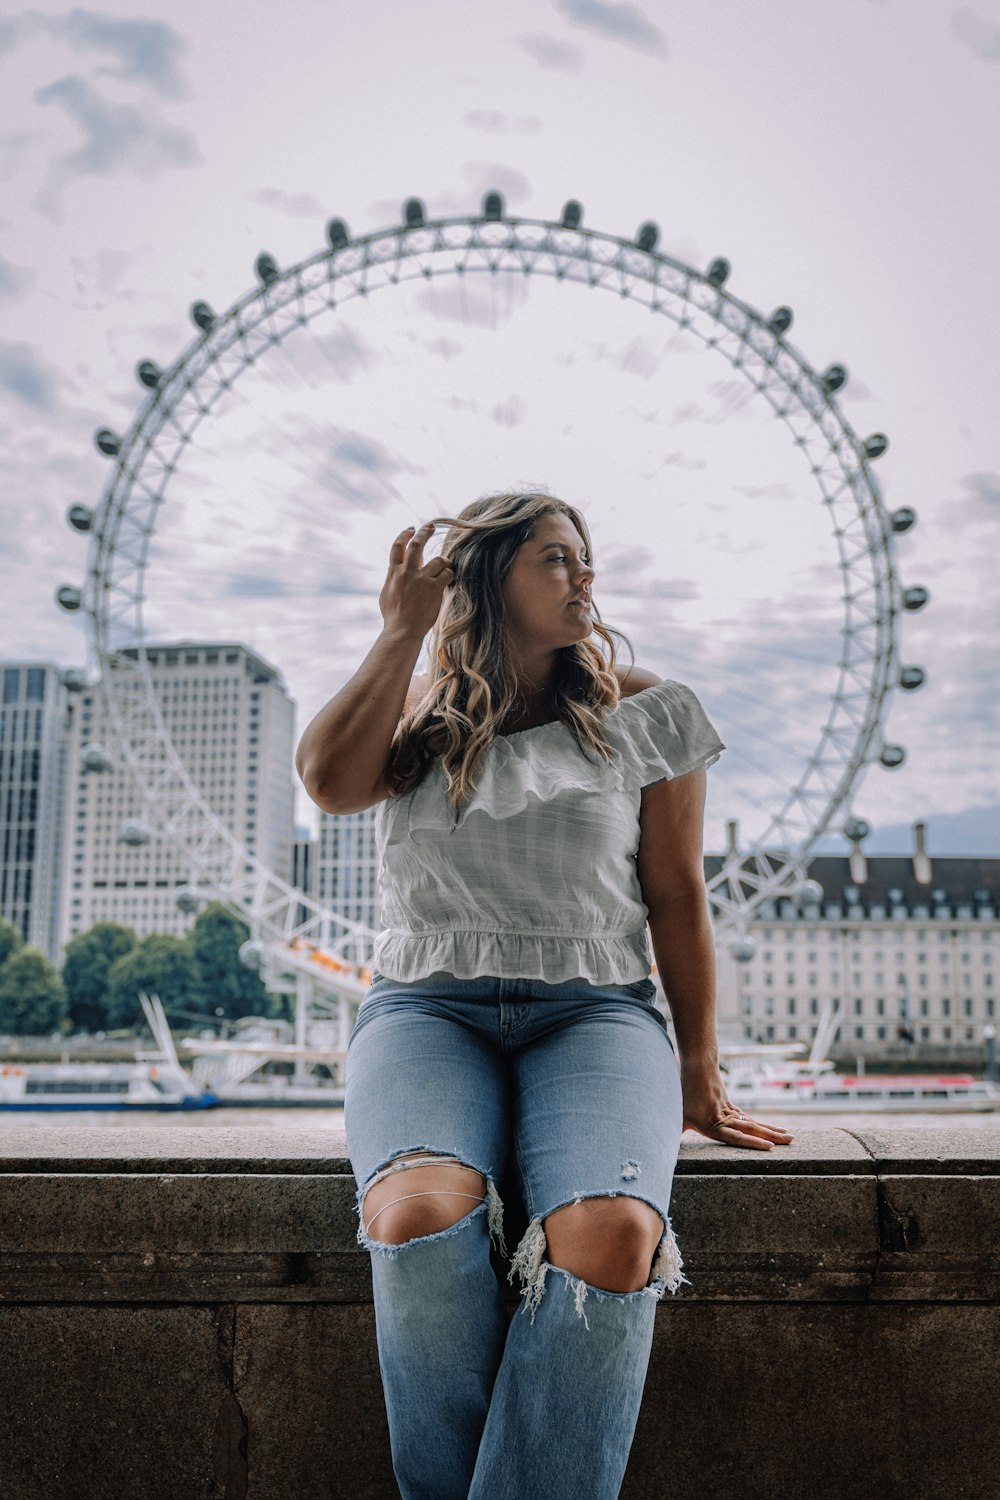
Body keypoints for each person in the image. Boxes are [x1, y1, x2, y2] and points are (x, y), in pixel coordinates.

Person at [296, 489, 794, 1500]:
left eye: (583, 559)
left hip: (596, 1012)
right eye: (556, 560)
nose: (585, 579)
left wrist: (699, 1071)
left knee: (612, 1234)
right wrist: (401, 630)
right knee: (416, 1215)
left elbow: (675, 893)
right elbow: (329, 783)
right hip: (425, 1009)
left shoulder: (646, 710)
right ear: (488, 580)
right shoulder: (416, 716)